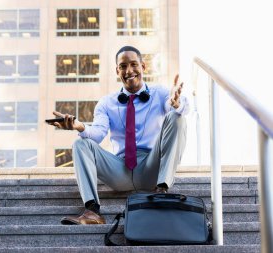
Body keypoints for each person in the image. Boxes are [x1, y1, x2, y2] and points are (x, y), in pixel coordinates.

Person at [46, 46, 189, 225]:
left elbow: (182, 109)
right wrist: (79, 126)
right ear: (117, 70)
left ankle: (162, 190)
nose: (129, 71)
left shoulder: (160, 93)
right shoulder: (106, 103)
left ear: (143, 67)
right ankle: (92, 211)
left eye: (133, 64)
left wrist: (176, 104)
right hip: (120, 169)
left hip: (151, 166)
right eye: (123, 66)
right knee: (80, 144)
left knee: (178, 118)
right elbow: (97, 134)